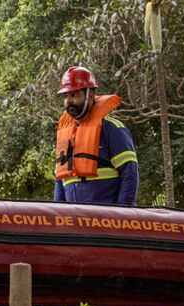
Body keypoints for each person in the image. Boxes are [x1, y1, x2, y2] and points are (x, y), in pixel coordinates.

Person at [53, 66, 139, 206]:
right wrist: (59, 216)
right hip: (74, 221)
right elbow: (59, 180)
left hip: (107, 219)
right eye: (65, 96)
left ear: (90, 97)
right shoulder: (65, 134)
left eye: (74, 95)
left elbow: (129, 174)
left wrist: (124, 215)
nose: (69, 101)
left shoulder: (113, 129)